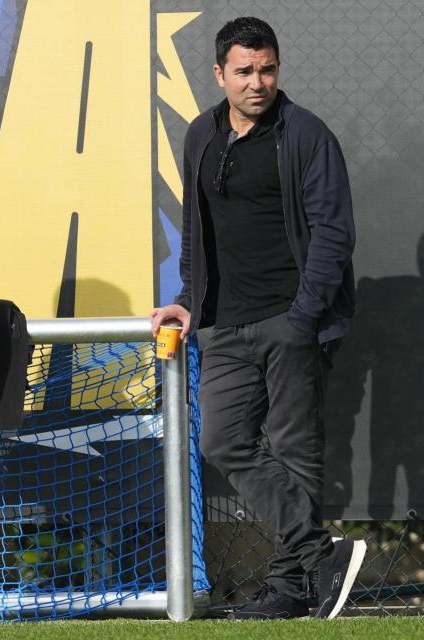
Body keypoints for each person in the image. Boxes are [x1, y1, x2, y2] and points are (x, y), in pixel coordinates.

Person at [150, 17, 364, 620]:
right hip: (221, 323)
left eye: (267, 69)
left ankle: (291, 585)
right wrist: (190, 299)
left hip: (291, 320)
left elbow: (333, 232)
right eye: (243, 71)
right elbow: (196, 230)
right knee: (222, 441)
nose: (257, 82)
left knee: (295, 452)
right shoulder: (200, 136)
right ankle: (319, 556)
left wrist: (303, 316)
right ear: (219, 74)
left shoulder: (305, 135)